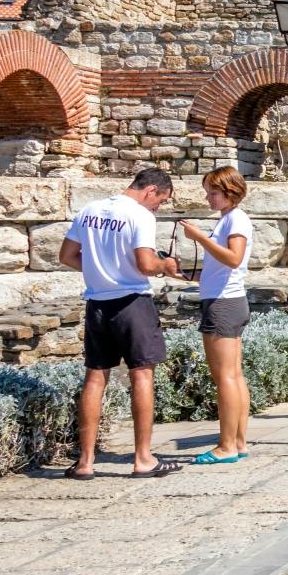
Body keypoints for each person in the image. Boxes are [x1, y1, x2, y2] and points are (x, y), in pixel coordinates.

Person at [63, 168, 182, 479]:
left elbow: (67, 255)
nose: (157, 208)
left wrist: (99, 270)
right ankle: (143, 458)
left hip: (97, 302)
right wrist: (165, 266)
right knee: (141, 376)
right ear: (150, 191)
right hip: (132, 303)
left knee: (95, 377)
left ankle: (85, 462)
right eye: (160, 202)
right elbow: (145, 263)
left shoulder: (89, 210)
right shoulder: (140, 215)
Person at [178, 167, 253, 464]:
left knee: (224, 378)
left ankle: (226, 446)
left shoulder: (235, 220)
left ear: (229, 192)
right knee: (233, 375)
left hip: (223, 304)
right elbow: (218, 268)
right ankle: (238, 441)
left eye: (212, 192)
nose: (207, 197)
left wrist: (198, 237)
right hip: (226, 300)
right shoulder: (229, 219)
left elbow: (233, 259)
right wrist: (184, 274)